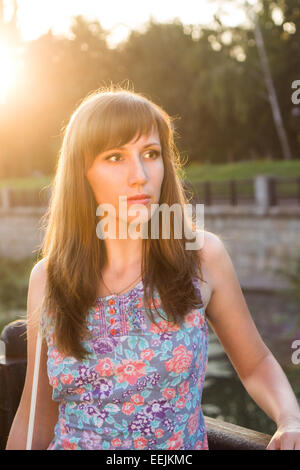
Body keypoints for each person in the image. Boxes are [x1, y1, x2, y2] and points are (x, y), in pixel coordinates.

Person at [6, 85, 300, 450]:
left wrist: (290, 419)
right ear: (83, 173)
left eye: (150, 153)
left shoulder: (202, 258)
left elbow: (255, 364)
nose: (140, 174)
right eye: (115, 157)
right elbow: (36, 416)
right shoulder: (48, 279)